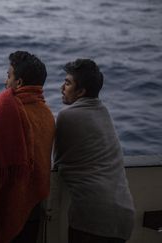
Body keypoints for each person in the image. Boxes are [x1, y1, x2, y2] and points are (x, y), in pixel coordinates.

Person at [0, 51, 55, 243]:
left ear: (20, 83)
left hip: (3, 205)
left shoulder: (4, 110)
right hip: (33, 208)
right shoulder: (47, 114)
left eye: (8, 76)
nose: (6, 82)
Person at [54, 59, 135, 243]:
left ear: (81, 92)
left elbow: (58, 163)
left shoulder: (67, 116)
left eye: (67, 83)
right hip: (123, 215)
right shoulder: (103, 111)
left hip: (92, 217)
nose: (61, 87)